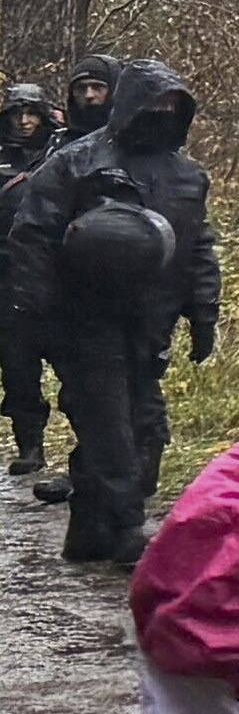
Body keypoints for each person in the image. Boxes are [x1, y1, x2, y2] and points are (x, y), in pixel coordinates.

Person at [10, 56, 218, 566]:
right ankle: (125, 525)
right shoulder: (76, 162)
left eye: (173, 105)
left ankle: (88, 528)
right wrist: (37, 312)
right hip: (86, 318)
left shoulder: (188, 175)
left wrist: (203, 309)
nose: (163, 113)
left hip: (152, 320)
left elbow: (197, 245)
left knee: (147, 426)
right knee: (109, 425)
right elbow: (32, 235)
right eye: (155, 103)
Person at [15, 56, 113, 505]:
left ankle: (114, 487)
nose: (90, 97)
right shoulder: (59, 151)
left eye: (99, 87)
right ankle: (89, 475)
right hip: (57, 283)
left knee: (121, 391)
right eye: (82, 88)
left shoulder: (141, 145)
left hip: (121, 286)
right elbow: (36, 218)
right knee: (71, 384)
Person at [0, 83, 52, 477]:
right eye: (17, 113)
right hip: (8, 275)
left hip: (58, 274)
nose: (24, 121)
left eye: (32, 112)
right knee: (18, 364)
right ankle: (30, 444)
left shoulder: (63, 154)